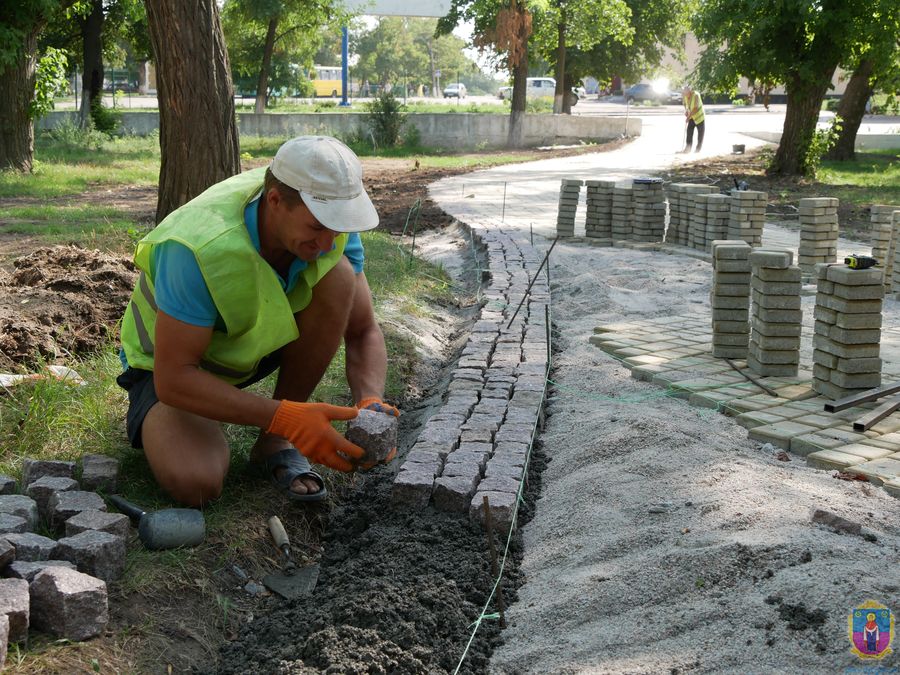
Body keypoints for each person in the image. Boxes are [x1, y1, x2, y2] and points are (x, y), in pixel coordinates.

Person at [117, 135, 398, 507]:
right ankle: (246, 419)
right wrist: (288, 416)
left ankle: (273, 441)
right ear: (276, 200)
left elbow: (363, 331)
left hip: (246, 350)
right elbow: (173, 378)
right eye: (317, 228)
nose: (329, 242)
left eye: (337, 227)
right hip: (171, 368)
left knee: (339, 275)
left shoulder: (330, 227)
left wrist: (370, 401)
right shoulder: (196, 247)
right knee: (197, 483)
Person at [681, 84, 705, 153]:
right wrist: (686, 110)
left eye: (686, 92)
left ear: (690, 91)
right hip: (692, 117)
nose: (685, 94)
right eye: (684, 92)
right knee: (689, 132)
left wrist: (688, 117)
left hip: (699, 117)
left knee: (700, 135)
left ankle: (698, 150)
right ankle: (688, 148)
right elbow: (685, 104)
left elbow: (695, 108)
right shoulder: (685, 96)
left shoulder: (696, 95)